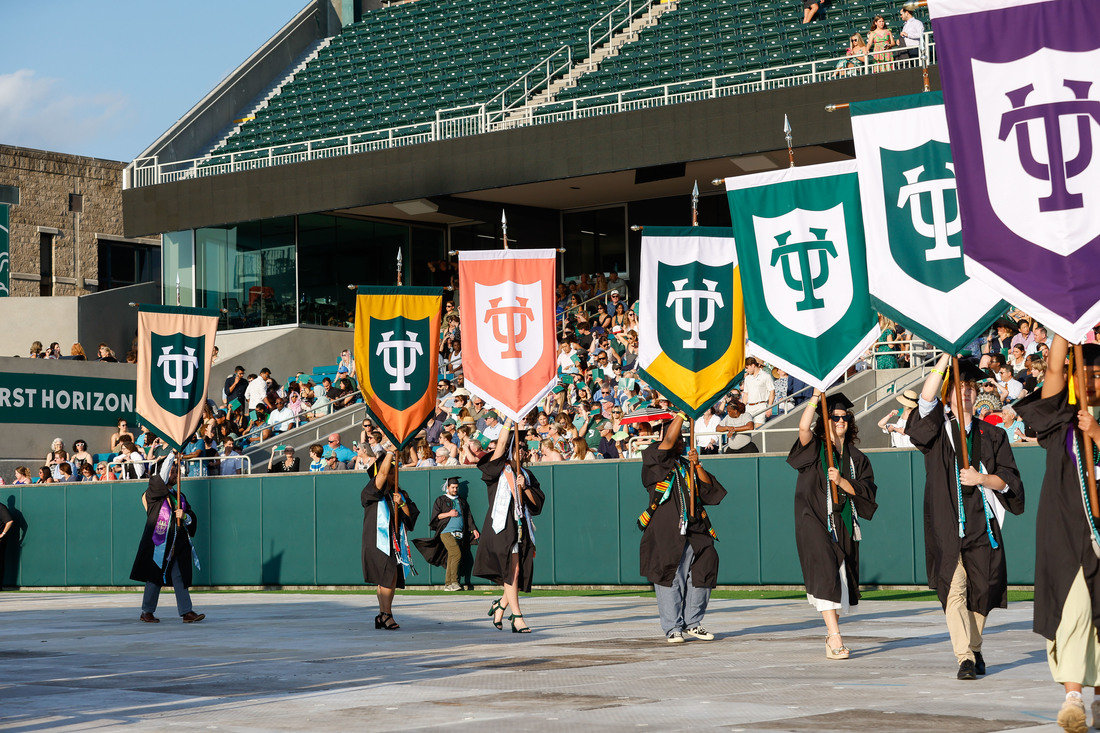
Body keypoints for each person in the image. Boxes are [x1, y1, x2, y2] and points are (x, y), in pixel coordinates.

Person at [907, 353, 1025, 679]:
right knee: (955, 588)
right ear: (949, 396)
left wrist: (981, 479)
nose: (966, 392)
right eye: (959, 387)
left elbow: (1010, 481)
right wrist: (944, 361)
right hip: (946, 524)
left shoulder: (994, 436)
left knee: (982, 589)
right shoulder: (937, 433)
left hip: (982, 524)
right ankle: (965, 658)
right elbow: (926, 401)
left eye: (970, 387)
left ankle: (973, 645)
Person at [1014, 336, 1100, 731]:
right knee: (1074, 610)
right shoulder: (1059, 420)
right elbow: (1051, 370)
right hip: (1066, 529)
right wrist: (1063, 328)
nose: (1094, 379)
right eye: (1087, 372)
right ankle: (1074, 699)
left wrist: (1097, 433)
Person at [789, 391, 878, 659]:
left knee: (840, 580)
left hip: (843, 521)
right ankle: (836, 637)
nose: (840, 421)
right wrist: (816, 397)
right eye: (835, 417)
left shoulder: (857, 458)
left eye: (844, 417)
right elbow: (803, 427)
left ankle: (830, 635)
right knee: (827, 574)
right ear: (825, 420)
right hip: (812, 519)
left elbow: (866, 491)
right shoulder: (815, 448)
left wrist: (841, 481)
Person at [639, 413, 728, 643]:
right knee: (671, 577)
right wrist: (681, 413)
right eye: (677, 438)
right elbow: (667, 442)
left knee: (705, 567)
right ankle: (673, 627)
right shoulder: (654, 458)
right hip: (667, 530)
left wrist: (697, 466)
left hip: (696, 529)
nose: (680, 442)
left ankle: (693, 623)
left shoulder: (686, 465)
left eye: (682, 439)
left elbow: (712, 493)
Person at [474, 420, 545, 633]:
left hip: (522, 524)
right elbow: (503, 443)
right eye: (520, 447)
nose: (524, 450)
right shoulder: (498, 469)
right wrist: (508, 420)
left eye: (525, 448)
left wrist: (525, 487)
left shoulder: (527, 474)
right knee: (512, 568)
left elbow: (537, 503)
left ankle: (501, 604)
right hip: (502, 525)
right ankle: (517, 616)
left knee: (516, 569)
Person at [129, 454, 205, 623]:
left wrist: (185, 516)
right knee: (154, 576)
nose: (174, 473)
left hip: (178, 542)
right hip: (160, 542)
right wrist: (172, 454)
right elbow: (162, 476)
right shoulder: (155, 493)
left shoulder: (180, 497)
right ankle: (146, 612)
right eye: (171, 470)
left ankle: (186, 612)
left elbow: (191, 517)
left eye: (176, 471)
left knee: (180, 577)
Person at [360, 449, 419, 630]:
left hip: (394, 542)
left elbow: (410, 520)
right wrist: (391, 453)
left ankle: (381, 614)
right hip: (378, 541)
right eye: (392, 472)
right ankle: (387, 615)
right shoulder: (372, 491)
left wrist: (401, 503)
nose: (394, 474)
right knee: (387, 577)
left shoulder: (400, 493)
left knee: (389, 578)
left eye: (396, 472)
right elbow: (383, 473)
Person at [414, 477, 481, 591]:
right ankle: (454, 582)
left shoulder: (462, 501)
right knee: (456, 554)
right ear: (447, 487)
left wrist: (473, 529)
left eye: (456, 487)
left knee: (452, 557)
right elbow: (436, 517)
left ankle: (448, 584)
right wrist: (449, 513)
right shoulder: (441, 500)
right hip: (446, 532)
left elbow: (468, 516)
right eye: (453, 487)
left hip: (459, 533)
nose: (455, 489)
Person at [742, 357, 775, 423]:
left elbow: (772, 392)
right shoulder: (747, 378)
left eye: (747, 367)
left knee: (758, 429)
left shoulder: (766, 376)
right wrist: (742, 407)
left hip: (761, 406)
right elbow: (746, 394)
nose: (746, 370)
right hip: (748, 407)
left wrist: (770, 407)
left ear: (753, 365)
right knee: (747, 429)